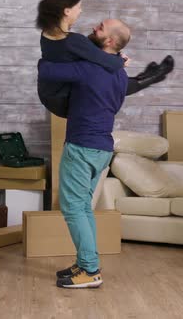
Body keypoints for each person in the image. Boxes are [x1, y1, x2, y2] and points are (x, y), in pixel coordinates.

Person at [37, 17, 132, 289]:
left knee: (73, 209)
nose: (94, 28)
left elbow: (48, 71)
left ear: (110, 41)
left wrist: (55, 51)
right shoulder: (120, 74)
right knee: (83, 209)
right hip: (102, 148)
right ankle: (86, 262)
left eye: (100, 28)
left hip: (82, 147)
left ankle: (90, 270)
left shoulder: (89, 69)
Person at [35, 0, 174, 118]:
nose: (80, 11)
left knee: (97, 67)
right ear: (67, 11)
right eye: (78, 7)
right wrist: (121, 60)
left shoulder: (46, 33)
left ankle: (146, 77)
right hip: (63, 102)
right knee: (110, 75)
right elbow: (112, 63)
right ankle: (152, 77)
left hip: (47, 94)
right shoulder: (73, 41)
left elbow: (87, 51)